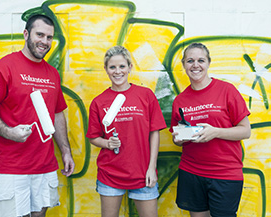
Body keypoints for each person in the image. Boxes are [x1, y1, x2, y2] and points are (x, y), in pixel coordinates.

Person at [0, 14, 74, 217]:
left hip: (44, 166)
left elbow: (57, 114)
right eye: (40, 35)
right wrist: (9, 132)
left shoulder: (51, 74)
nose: (45, 42)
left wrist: (65, 150)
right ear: (26, 34)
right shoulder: (2, 68)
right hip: (11, 168)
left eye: (49, 37)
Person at [170, 43, 251, 217]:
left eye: (201, 60)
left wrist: (216, 132)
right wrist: (179, 138)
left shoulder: (226, 90)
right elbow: (176, 137)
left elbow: (245, 131)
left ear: (208, 63)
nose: (195, 65)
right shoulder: (180, 100)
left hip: (225, 174)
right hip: (191, 171)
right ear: (184, 65)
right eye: (190, 61)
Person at [86, 45, 166, 217]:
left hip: (143, 174)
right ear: (106, 69)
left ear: (130, 67)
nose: (117, 71)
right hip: (110, 175)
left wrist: (151, 168)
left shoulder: (145, 95)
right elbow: (93, 137)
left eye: (122, 66)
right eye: (112, 67)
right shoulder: (99, 102)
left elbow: (154, 133)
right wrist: (107, 143)